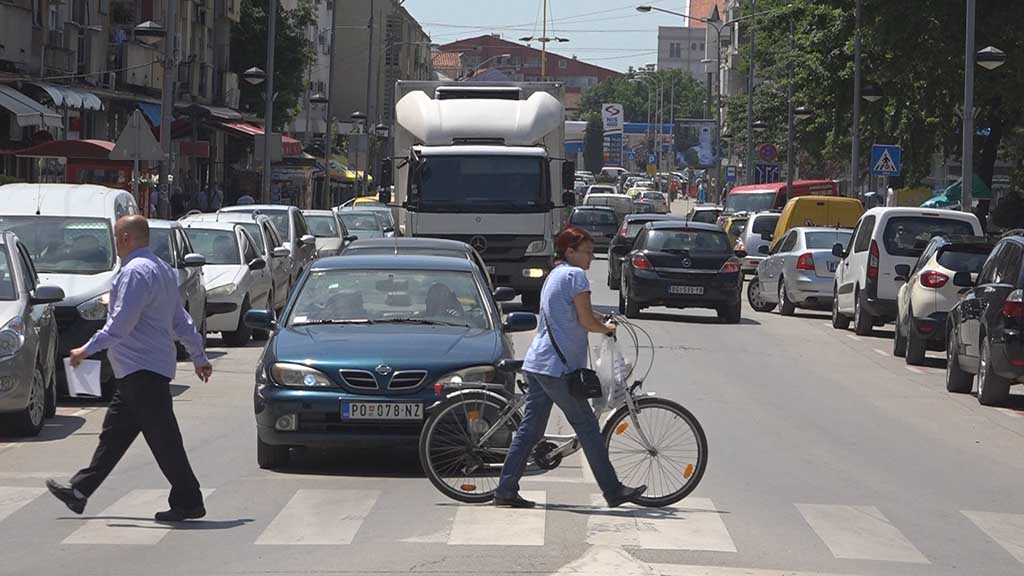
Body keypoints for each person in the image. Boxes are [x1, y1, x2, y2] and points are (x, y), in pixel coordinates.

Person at [46, 215, 213, 523]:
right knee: (113, 437)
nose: (115, 243)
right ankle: (79, 491)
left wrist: (86, 349)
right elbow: (181, 319)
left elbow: (120, 325)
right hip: (139, 371)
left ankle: (189, 500)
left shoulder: (134, 273)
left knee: (164, 440)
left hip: (142, 371)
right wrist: (199, 356)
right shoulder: (162, 270)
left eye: (115, 237)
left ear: (125, 238)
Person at [493, 227, 647, 509]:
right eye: (586, 252)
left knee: (530, 431)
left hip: (539, 363)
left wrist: (601, 317)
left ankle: (505, 490)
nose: (591, 257)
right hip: (557, 368)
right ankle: (613, 490)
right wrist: (606, 328)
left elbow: (572, 311)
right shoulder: (576, 276)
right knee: (587, 426)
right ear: (570, 251)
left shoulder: (555, 274)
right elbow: (586, 321)